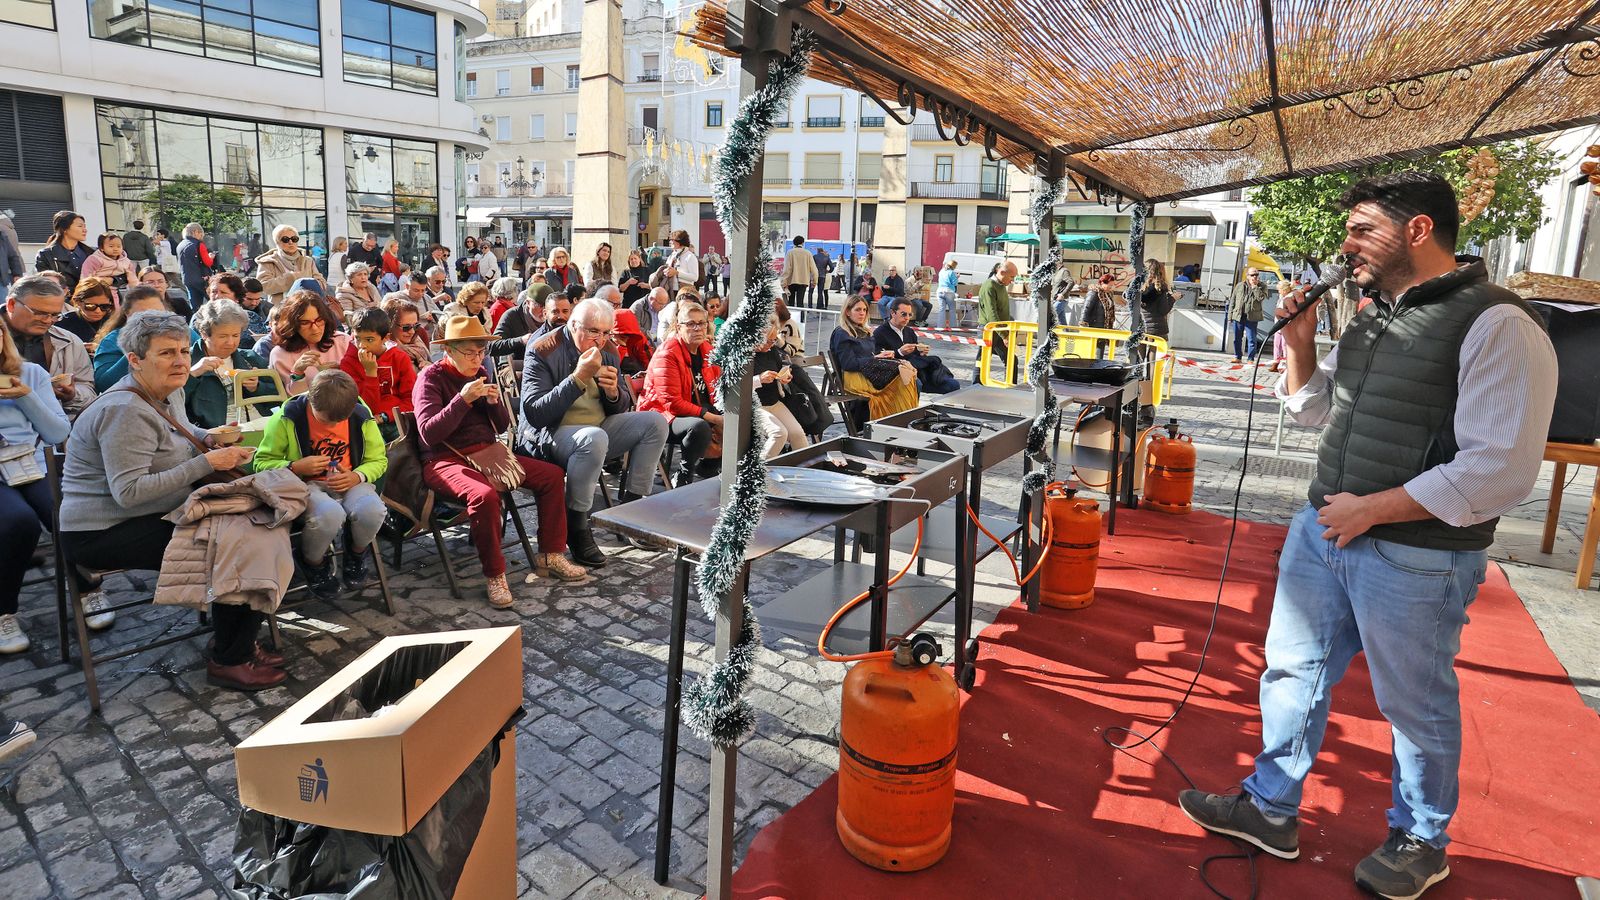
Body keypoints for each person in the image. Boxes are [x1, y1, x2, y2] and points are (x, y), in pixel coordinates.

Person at [1178, 172, 1559, 900]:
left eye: (1362, 229)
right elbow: (1320, 413)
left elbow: (1502, 469)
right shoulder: (1373, 313)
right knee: (1292, 674)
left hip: (1418, 558)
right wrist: (1298, 345)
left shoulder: (1501, 324)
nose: (1345, 244)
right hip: (1326, 531)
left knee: (1413, 702)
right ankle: (1270, 807)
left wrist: (1372, 511)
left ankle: (1421, 839)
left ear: (1418, 230)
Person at [60, 310, 272, 689]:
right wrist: (206, 463)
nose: (179, 361)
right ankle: (229, 657)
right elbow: (129, 494)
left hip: (153, 511)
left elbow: (181, 429)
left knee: (253, 530)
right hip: (102, 531)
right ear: (135, 360)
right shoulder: (124, 410)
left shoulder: (166, 388)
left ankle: (235, 642)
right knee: (231, 545)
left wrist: (208, 436)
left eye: (182, 352)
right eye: (165, 353)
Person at [413, 316, 588, 606]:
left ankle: (550, 554)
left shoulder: (480, 372)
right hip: (445, 459)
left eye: (480, 351)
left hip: (488, 453)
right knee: (484, 496)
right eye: (469, 353)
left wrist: (493, 404)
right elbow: (430, 434)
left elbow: (501, 426)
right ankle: (495, 575)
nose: (477, 359)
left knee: (552, 475)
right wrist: (462, 400)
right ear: (449, 352)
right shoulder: (430, 379)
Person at [518, 298, 669, 568]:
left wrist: (613, 393)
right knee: (593, 438)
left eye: (605, 332)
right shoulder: (543, 349)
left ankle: (630, 512)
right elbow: (536, 414)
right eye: (592, 331)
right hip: (552, 435)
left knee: (655, 422)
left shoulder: (608, 350)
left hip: (597, 429)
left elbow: (619, 407)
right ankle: (577, 526)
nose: (599, 340)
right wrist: (577, 378)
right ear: (573, 324)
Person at [253, 370, 388, 600]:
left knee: (373, 511)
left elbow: (378, 460)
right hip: (304, 485)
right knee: (329, 515)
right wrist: (295, 466)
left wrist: (358, 476)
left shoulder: (360, 416)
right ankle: (312, 562)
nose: (334, 425)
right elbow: (260, 463)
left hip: (350, 480)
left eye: (340, 421)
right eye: (326, 420)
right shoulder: (287, 418)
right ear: (311, 401)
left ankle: (356, 552)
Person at [0, 321, 73, 655]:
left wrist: (25, 397)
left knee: (64, 515)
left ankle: (88, 587)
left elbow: (58, 432)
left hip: (30, 463)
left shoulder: (29, 374)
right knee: (19, 522)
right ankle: (4, 611)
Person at [640, 299, 728, 485]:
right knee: (699, 426)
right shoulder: (668, 354)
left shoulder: (707, 350)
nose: (697, 329)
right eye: (690, 324)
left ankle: (710, 467)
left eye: (701, 323)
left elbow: (720, 385)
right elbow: (671, 402)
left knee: (741, 419)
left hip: (698, 409)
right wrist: (715, 418)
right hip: (662, 415)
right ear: (678, 327)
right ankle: (684, 475)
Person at [3, 276, 97, 417]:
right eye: (40, 313)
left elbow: (88, 391)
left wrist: (72, 394)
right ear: (12, 305)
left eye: (55, 315)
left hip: (53, 429)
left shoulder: (69, 342)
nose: (48, 321)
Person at [186, 299, 273, 429]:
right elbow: (170, 402)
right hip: (214, 433)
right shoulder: (188, 360)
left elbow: (278, 397)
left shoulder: (249, 358)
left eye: (235, 335)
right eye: (223, 336)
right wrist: (192, 374)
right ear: (204, 334)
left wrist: (257, 387)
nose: (230, 342)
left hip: (259, 425)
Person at [832, 295, 918, 419]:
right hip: (853, 377)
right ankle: (898, 420)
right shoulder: (842, 333)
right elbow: (848, 364)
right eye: (858, 310)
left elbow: (870, 357)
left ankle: (901, 419)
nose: (862, 313)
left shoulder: (865, 331)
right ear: (847, 312)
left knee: (907, 375)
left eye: (864, 310)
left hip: (868, 373)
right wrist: (875, 358)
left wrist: (881, 356)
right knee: (902, 382)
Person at [339, 307, 415, 435]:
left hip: (397, 418)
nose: (362, 345)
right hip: (366, 422)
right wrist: (371, 374)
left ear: (385, 338)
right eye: (358, 338)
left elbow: (411, 398)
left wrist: (386, 416)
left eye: (369, 340)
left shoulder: (399, 358)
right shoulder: (349, 362)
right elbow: (365, 407)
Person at [269, 289, 352, 394]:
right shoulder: (280, 354)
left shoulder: (343, 341)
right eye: (305, 323)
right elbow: (293, 400)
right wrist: (298, 373)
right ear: (292, 324)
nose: (315, 328)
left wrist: (344, 370)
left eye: (319, 320)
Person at [750, 315, 809, 456]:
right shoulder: (744, 354)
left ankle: (805, 470)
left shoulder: (771, 351)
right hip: (753, 403)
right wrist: (759, 379)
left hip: (773, 401)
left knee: (797, 433)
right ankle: (758, 471)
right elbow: (737, 386)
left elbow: (778, 369)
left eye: (774, 340)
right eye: (768, 341)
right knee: (779, 433)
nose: (771, 344)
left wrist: (783, 377)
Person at [93, 285, 170, 392]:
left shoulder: (180, 334)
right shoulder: (112, 341)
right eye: (142, 315)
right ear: (126, 314)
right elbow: (104, 384)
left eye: (158, 313)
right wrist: (139, 346)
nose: (152, 319)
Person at [875, 298, 959, 393]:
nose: (907, 318)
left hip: (919, 372)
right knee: (916, 383)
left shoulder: (909, 332)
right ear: (893, 313)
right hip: (897, 374)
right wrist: (899, 352)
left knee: (953, 385)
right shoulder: (880, 332)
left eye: (909, 315)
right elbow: (878, 359)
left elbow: (915, 357)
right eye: (903, 314)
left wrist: (921, 353)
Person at [251, 224, 327, 309]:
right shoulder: (267, 262)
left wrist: (307, 283)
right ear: (277, 242)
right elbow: (263, 287)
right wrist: (291, 278)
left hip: (308, 309)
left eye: (294, 239)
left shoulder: (308, 261)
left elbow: (322, 283)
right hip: (281, 311)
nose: (291, 242)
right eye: (285, 239)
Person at [976, 261, 1018, 383]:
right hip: (989, 330)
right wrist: (1004, 335)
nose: (1012, 280)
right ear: (1002, 272)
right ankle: (976, 386)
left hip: (999, 329)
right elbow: (991, 314)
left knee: (1011, 359)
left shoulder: (1001, 286)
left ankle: (1011, 386)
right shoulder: (989, 286)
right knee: (982, 360)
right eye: (1011, 277)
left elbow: (1002, 311)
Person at [34, 211, 93, 295]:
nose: (85, 230)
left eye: (85, 226)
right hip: (61, 302)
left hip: (89, 302)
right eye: (80, 226)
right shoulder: (46, 255)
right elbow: (45, 284)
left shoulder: (91, 253)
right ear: (64, 229)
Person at [489, 283, 550, 360]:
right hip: (516, 364)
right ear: (528, 303)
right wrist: (520, 341)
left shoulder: (554, 317)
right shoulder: (512, 315)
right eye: (540, 305)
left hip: (545, 365)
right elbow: (493, 346)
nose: (544, 310)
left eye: (547, 306)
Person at [59, 278, 117, 349]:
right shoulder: (62, 323)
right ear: (77, 302)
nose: (98, 311)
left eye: (104, 306)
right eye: (91, 306)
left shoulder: (117, 323)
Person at [1229, 267, 1270, 363]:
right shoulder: (1240, 285)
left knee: (1251, 338)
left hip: (1252, 316)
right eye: (1252, 275)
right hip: (1238, 315)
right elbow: (1233, 300)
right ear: (1248, 276)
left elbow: (1261, 298)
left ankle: (1250, 358)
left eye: (1256, 275)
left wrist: (1255, 287)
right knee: (1237, 338)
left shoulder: (1262, 286)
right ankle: (1237, 356)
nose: (1255, 277)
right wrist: (1230, 316)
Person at [176, 223, 215, 314]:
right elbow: (207, 262)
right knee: (215, 301)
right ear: (195, 232)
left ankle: (194, 322)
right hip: (202, 279)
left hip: (187, 278)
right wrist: (211, 257)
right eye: (201, 234)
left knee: (195, 305)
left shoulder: (180, 245)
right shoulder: (198, 245)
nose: (202, 237)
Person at [782, 235, 818, 310]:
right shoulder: (808, 253)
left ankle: (791, 320)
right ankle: (801, 320)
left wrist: (783, 283)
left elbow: (786, 269)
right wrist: (814, 282)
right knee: (800, 303)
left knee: (791, 303)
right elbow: (814, 270)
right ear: (803, 243)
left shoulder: (790, 253)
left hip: (791, 281)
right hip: (803, 281)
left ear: (794, 243)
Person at [932, 258, 959, 330]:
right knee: (952, 309)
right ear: (953, 266)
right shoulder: (951, 272)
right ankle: (953, 327)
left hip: (940, 291)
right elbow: (954, 283)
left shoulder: (941, 271)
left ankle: (940, 326)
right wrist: (957, 277)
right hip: (949, 291)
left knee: (941, 309)